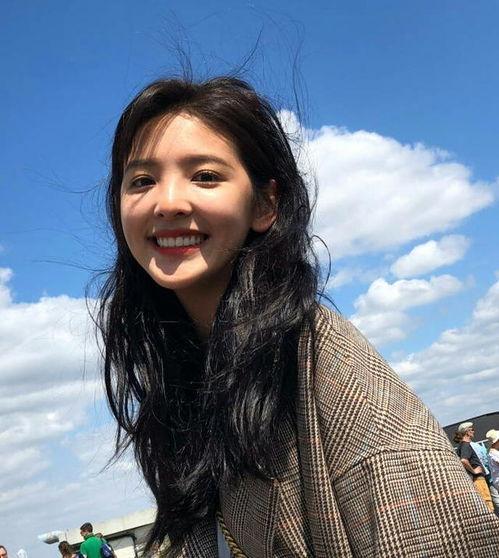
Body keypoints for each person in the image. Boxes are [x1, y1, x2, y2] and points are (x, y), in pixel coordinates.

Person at [96, 75, 499, 557]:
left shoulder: (325, 367)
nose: (167, 203)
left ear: (266, 204)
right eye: (142, 181)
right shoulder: (187, 378)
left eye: (205, 176)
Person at [454, 421, 494, 512]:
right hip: (478, 478)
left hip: (477, 478)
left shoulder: (463, 445)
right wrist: (474, 471)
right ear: (467, 432)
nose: (473, 431)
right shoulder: (465, 445)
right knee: (487, 503)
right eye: (472, 430)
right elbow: (464, 460)